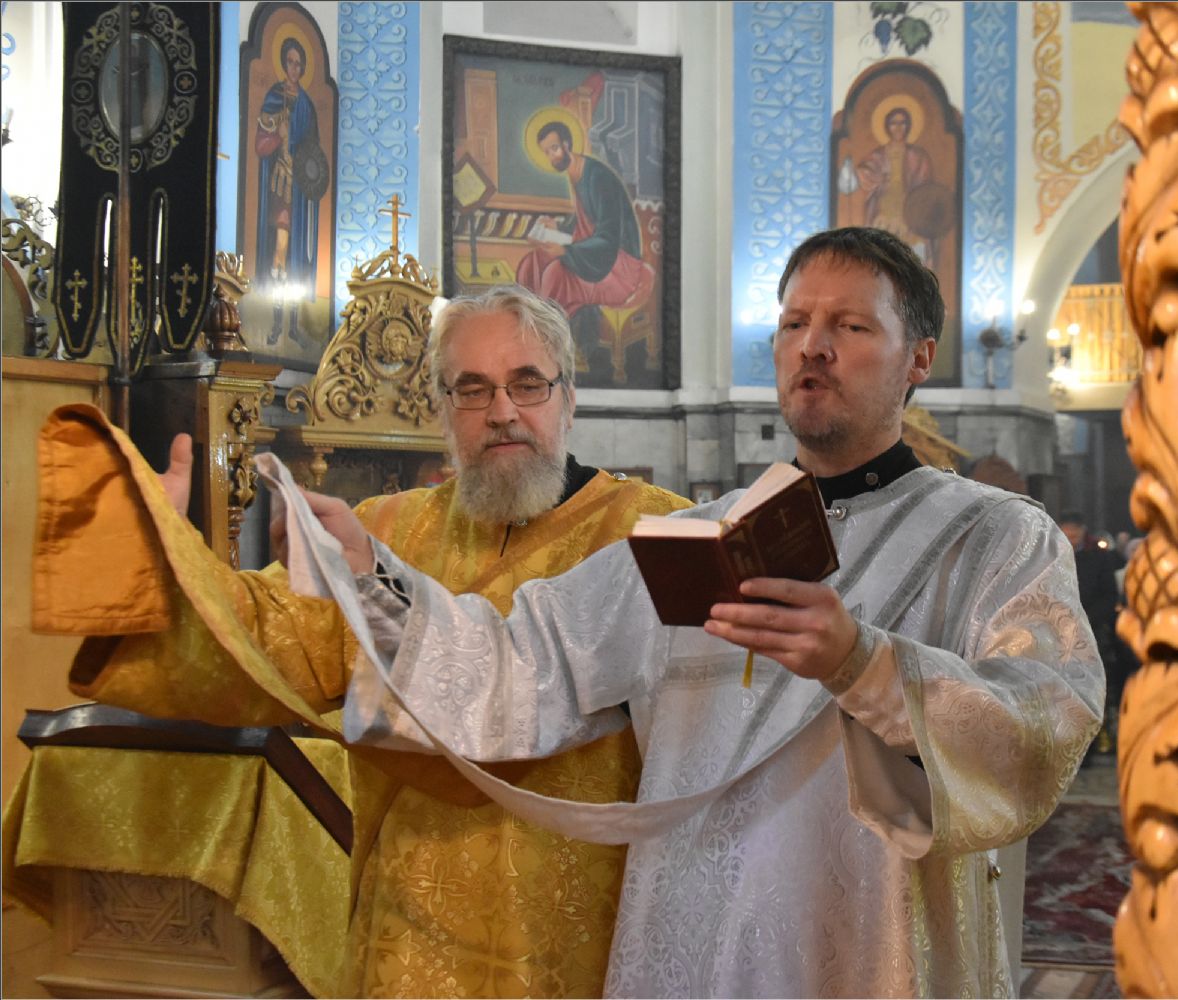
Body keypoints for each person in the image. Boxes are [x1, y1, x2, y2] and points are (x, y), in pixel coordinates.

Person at [299, 227, 1104, 996]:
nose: (813, 346)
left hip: (870, 947)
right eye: (794, 323)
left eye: (850, 325)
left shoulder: (991, 535)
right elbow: (522, 667)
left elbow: (1050, 715)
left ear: (919, 357)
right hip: (688, 941)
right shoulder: (695, 539)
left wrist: (862, 664)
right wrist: (372, 572)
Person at [30, 286, 691, 996]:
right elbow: (273, 634)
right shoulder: (382, 530)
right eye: (472, 390)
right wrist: (157, 561)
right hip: (411, 935)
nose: (502, 411)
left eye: (527, 384)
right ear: (441, 409)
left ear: (568, 398)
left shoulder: (658, 533)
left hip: (588, 935)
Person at [515, 121, 654, 320]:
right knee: (533, 263)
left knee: (555, 273)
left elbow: (607, 239)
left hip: (617, 265)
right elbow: (586, 221)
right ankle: (530, 323)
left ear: (566, 144)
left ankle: (549, 330)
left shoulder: (598, 178)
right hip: (593, 252)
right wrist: (557, 228)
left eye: (554, 148)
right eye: (547, 152)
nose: (552, 157)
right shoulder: (575, 171)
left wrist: (565, 251)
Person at [254, 36, 322, 346]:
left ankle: (293, 325)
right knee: (280, 248)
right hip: (280, 186)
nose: (294, 68)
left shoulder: (306, 104)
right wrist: (279, 138)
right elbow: (261, 142)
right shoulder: (274, 97)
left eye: (299, 63)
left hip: (300, 191)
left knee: (296, 255)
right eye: (290, 62)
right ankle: (275, 321)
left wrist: (307, 165)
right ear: (284, 63)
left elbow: (314, 151)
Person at [1058, 511, 1125, 753]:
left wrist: (1084, 618)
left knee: (1091, 687)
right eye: (1067, 535)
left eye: (1074, 535)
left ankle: (1094, 743)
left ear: (1082, 532)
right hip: (1058, 632)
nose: (1071, 540)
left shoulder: (1098, 557)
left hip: (1092, 632)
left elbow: (1109, 595)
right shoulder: (1053, 552)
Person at [858, 104, 935, 262]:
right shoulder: (878, 155)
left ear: (908, 126)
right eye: (894, 123)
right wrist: (878, 178)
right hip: (884, 212)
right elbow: (863, 173)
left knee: (914, 257)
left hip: (910, 215)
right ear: (887, 127)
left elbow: (926, 189)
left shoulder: (918, 156)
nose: (898, 128)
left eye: (902, 123)